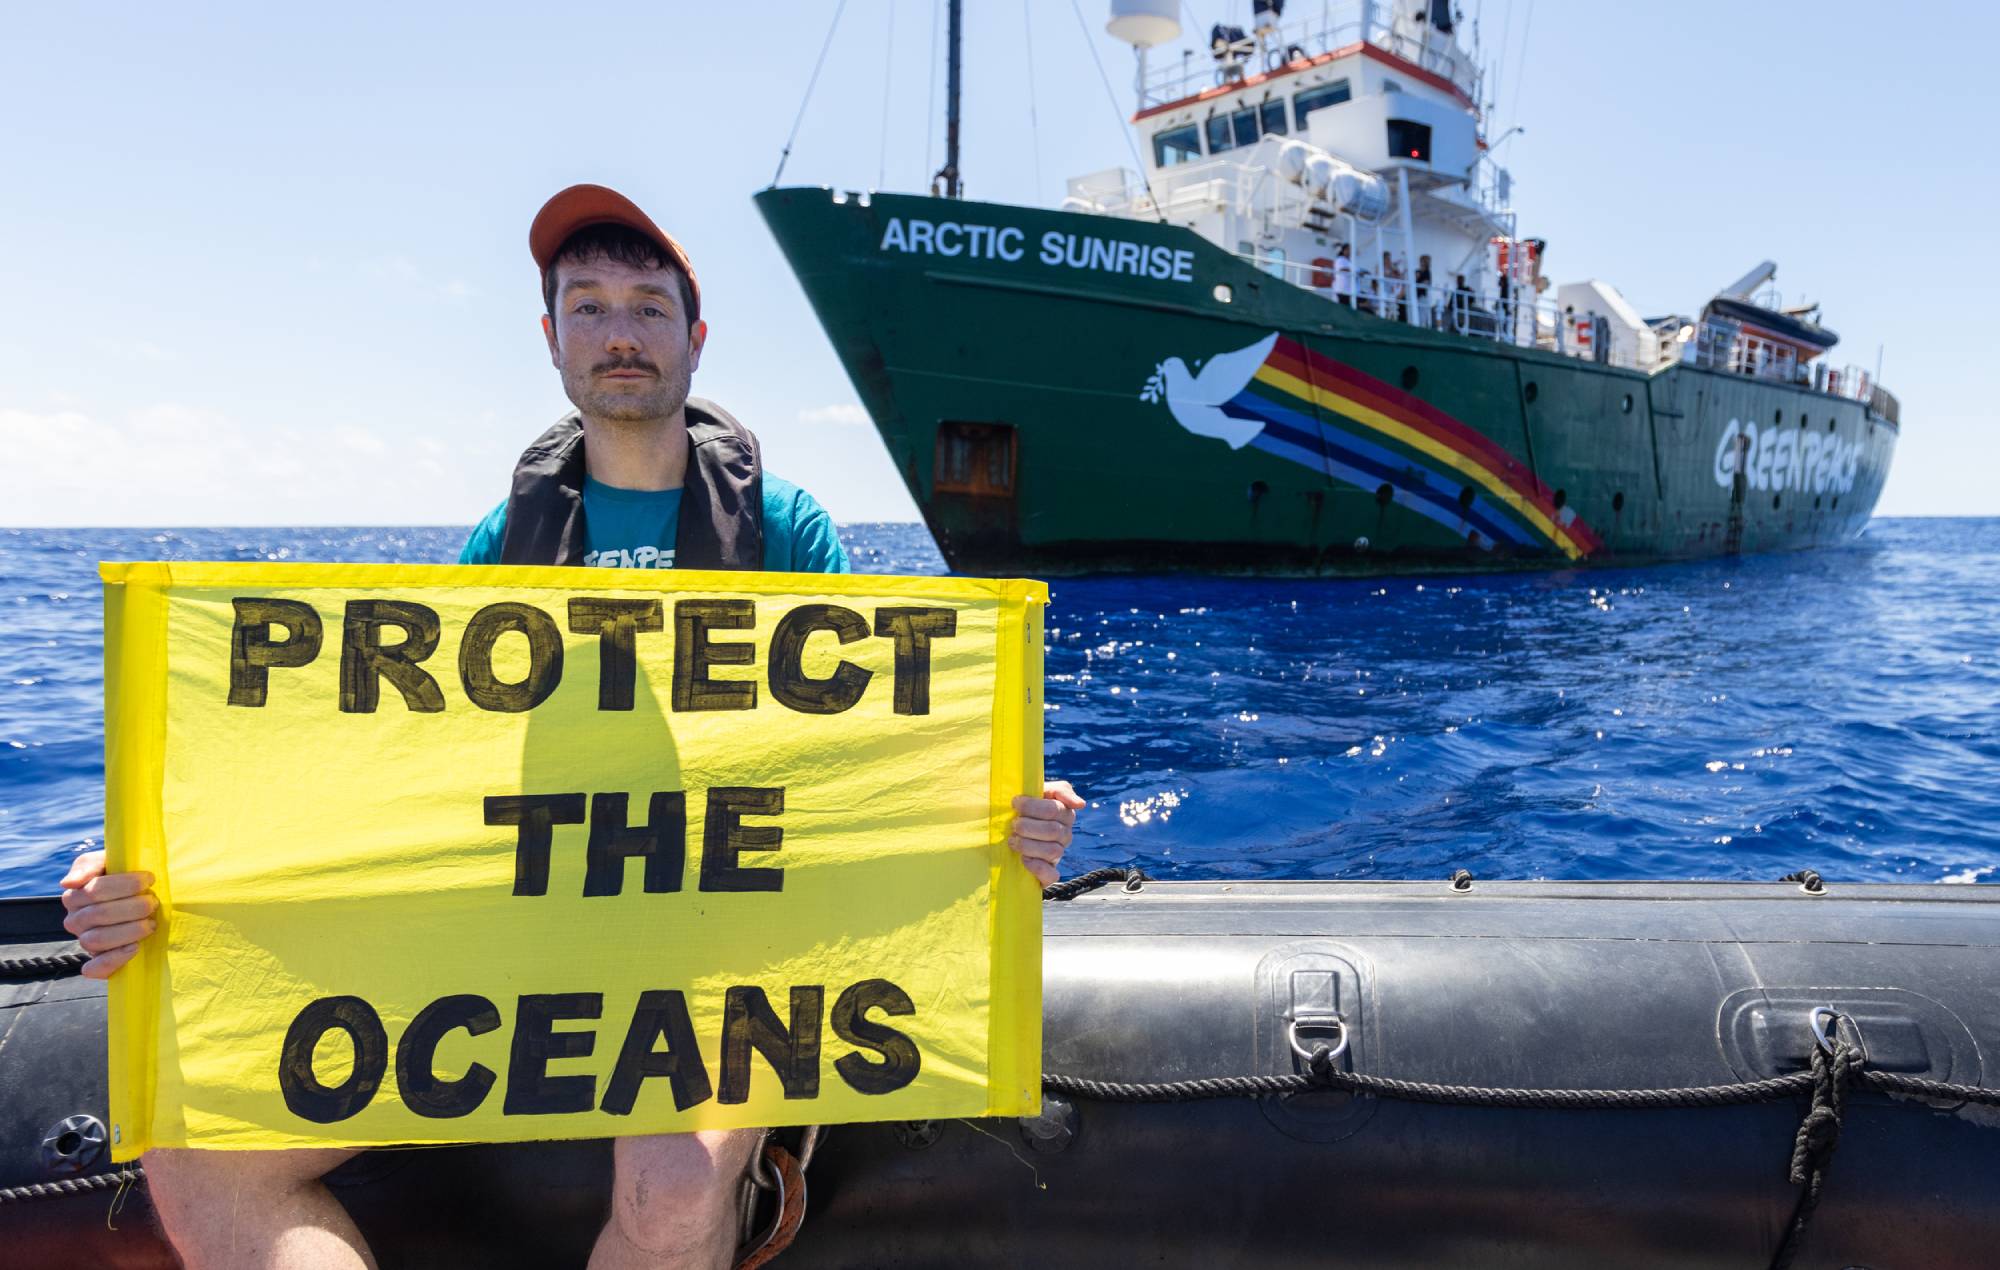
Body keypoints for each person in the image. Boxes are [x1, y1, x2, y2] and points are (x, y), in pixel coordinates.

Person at [59, 183, 1085, 1270]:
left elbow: (878, 747)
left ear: (694, 338)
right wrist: (150, 866)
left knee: (675, 1180)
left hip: (714, 940)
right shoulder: (508, 536)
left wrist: (1010, 813)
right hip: (528, 927)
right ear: (551, 340)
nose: (619, 332)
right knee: (196, 1149)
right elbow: (386, 765)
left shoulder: (785, 526)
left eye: (647, 305)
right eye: (587, 305)